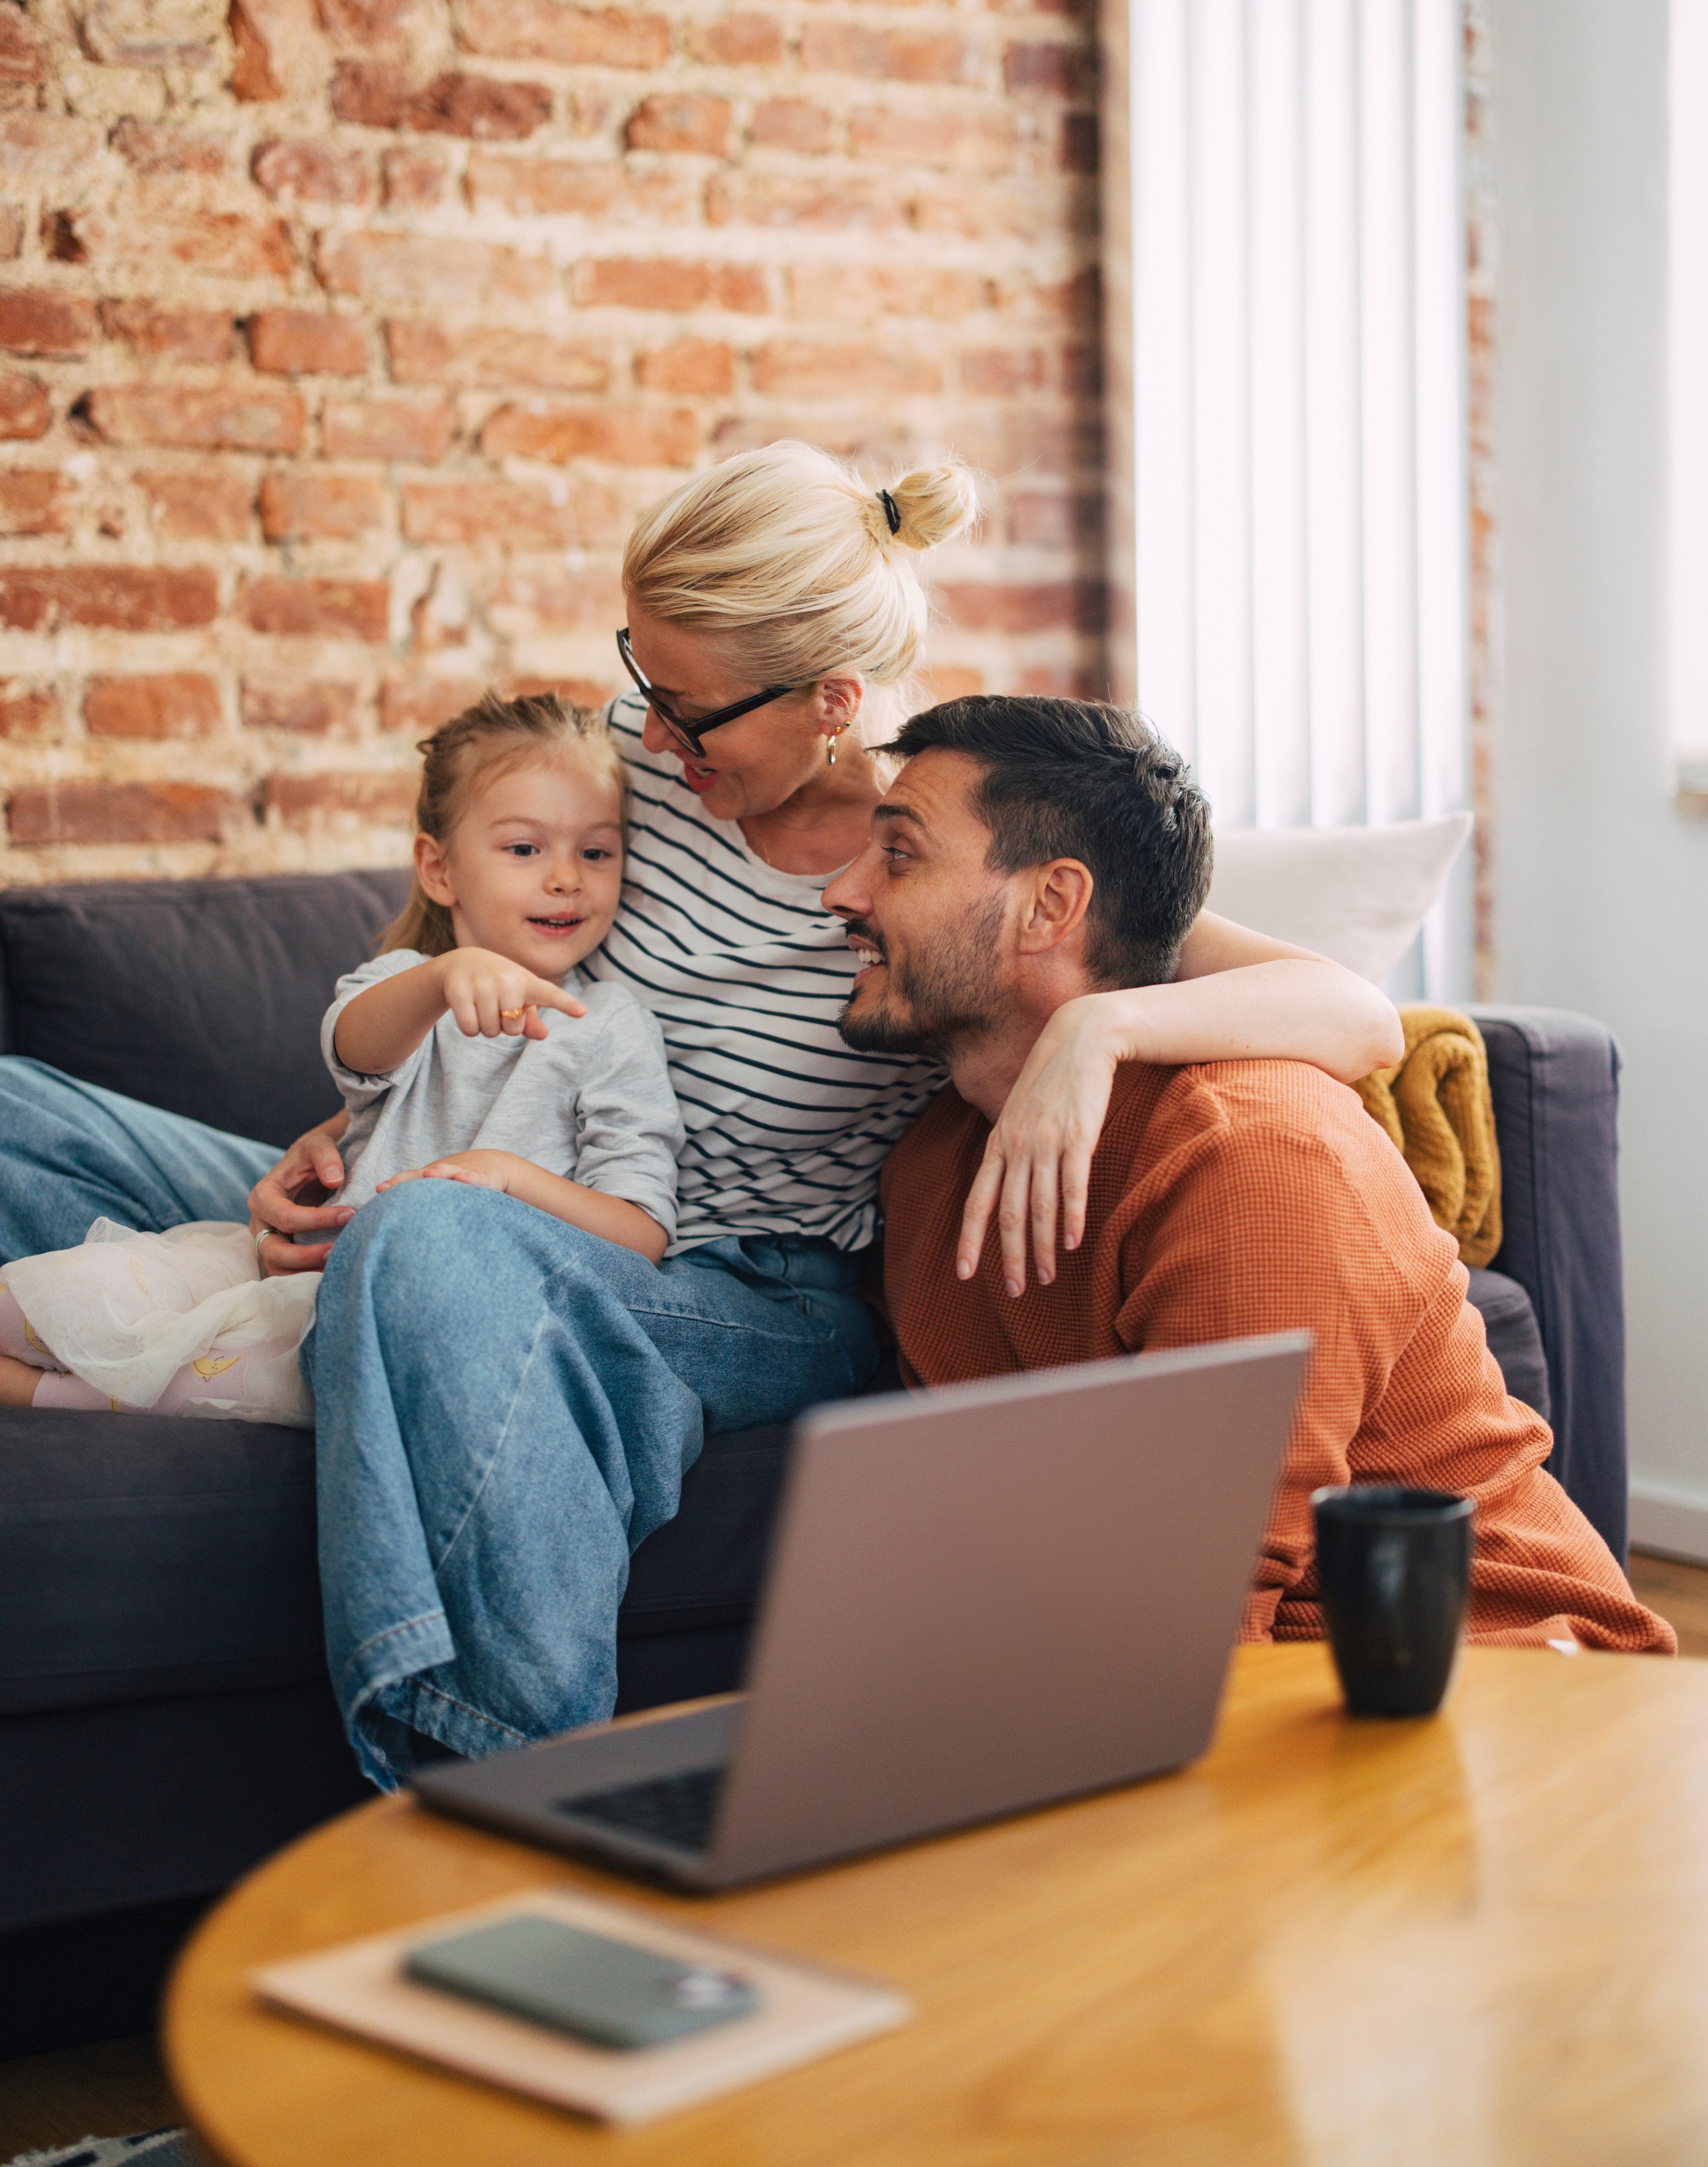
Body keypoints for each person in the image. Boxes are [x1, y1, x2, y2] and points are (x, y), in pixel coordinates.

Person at [0, 443, 1404, 1779]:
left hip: (737, 1279)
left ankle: (509, 1789)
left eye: (692, 710)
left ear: (834, 701)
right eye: (641, 679)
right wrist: (364, 1113)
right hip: (469, 1166)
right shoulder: (645, 760)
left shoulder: (943, 851)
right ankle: (320, 1300)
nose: (655, 737)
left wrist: (1103, 1026)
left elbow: (1356, 1014)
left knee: (429, 1249)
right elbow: (468, 911)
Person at [828, 692, 1671, 1654]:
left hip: (1487, 1678)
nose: (841, 893)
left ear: (1050, 905)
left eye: (898, 855)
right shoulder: (932, 1164)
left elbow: (1195, 1615)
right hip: (1199, 1685)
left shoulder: (1248, 1154)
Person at [0, 692, 679, 1424]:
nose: (566, 878)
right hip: (284, 1271)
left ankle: (38, 1396)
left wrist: (508, 1179)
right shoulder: (405, 985)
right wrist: (442, 979)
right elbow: (354, 1047)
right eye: (524, 848)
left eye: (596, 852)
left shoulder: (612, 1026)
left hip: (407, 1322)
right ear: (439, 869)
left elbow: (640, 1232)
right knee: (47, 1300)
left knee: (221, 1374)